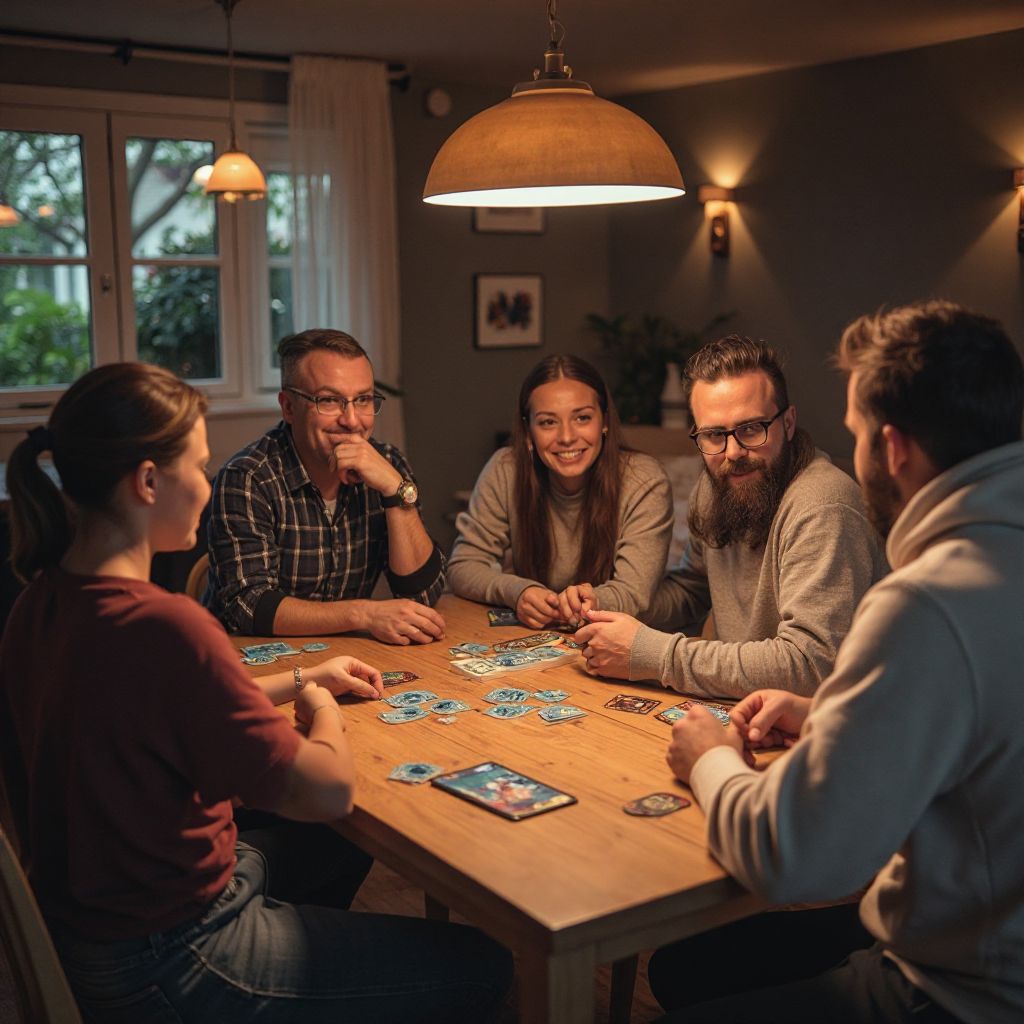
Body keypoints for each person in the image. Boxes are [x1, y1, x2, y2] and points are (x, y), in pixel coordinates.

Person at [0, 362, 512, 1023]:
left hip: (97, 921)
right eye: (198, 468)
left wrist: (302, 677)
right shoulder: (166, 624)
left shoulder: (43, 601)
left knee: (340, 844)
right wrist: (321, 707)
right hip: (176, 954)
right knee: (487, 964)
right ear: (149, 482)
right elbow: (328, 790)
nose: (208, 489)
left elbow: (164, 701)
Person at [653, 300, 1024, 1023]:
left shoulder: (928, 602)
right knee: (689, 965)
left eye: (853, 434)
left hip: (957, 995)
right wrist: (829, 712)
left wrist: (707, 757)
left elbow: (790, 859)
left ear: (893, 449)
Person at [576, 334, 888, 699]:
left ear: (788, 423)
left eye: (751, 428)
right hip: (742, 711)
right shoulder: (717, 487)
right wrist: (605, 607)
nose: (733, 452)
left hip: (827, 730)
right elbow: (693, 591)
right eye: (713, 435)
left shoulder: (824, 506)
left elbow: (810, 665)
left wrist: (651, 654)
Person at [205, 328, 447, 644]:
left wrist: (393, 488)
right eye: (330, 400)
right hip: (249, 664)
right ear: (289, 407)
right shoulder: (247, 477)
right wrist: (365, 614)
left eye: (362, 400)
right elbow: (248, 606)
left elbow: (423, 593)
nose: (351, 420)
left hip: (341, 656)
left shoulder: (386, 462)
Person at [448, 354, 674, 627]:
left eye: (582, 418)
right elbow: (463, 566)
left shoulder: (644, 480)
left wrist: (591, 601)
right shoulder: (505, 469)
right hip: (537, 640)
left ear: (604, 421)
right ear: (528, 431)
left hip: (619, 636)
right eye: (547, 422)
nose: (566, 437)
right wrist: (519, 591)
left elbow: (634, 592)